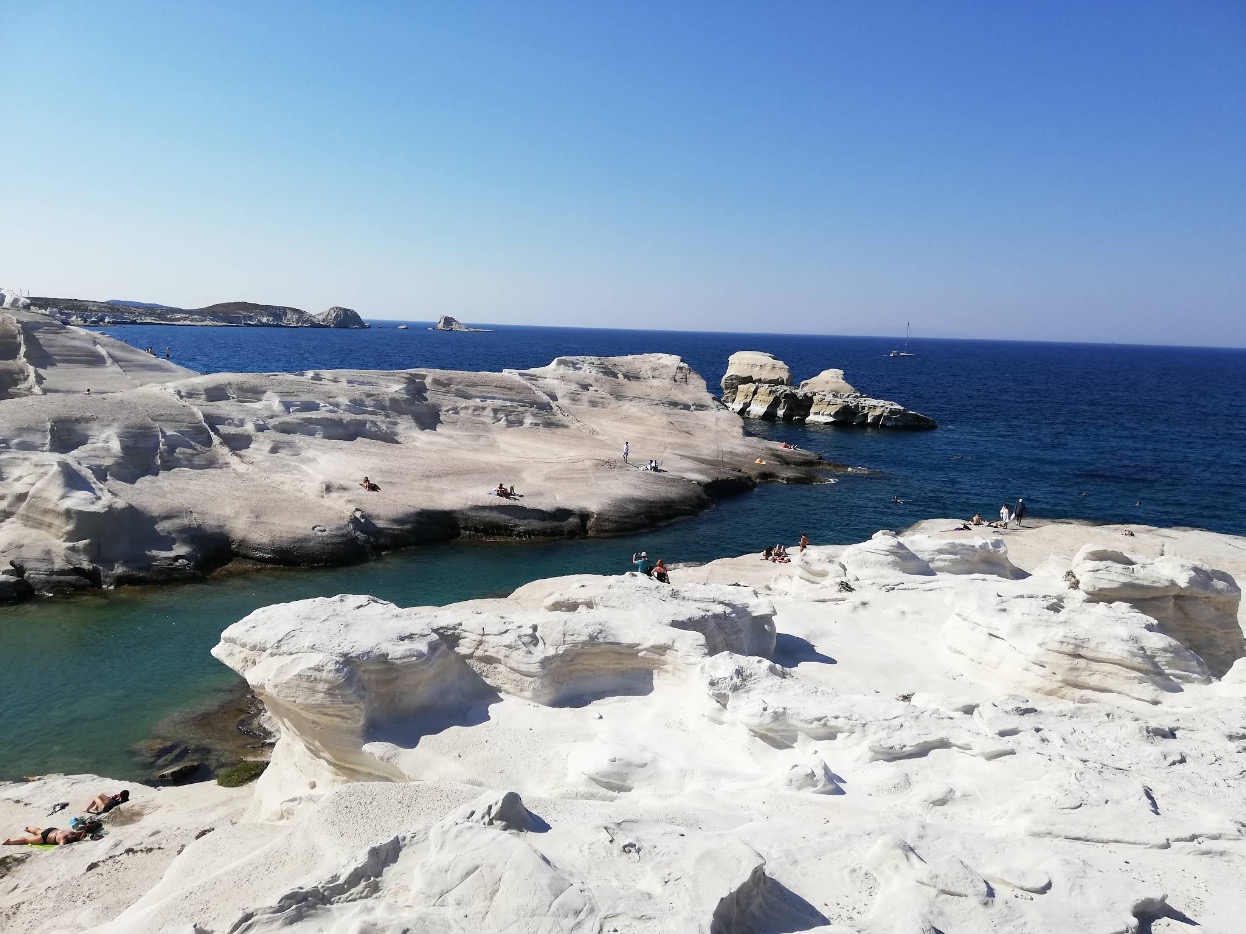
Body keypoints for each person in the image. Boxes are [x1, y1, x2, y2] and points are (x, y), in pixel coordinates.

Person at [3, 819, 99, 846]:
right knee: (26, 840)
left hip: (52, 830)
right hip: (45, 837)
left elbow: (83, 832)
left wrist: (81, 837)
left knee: (38, 830)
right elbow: (62, 847)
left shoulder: (71, 832)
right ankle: (9, 841)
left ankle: (28, 828)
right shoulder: (64, 839)